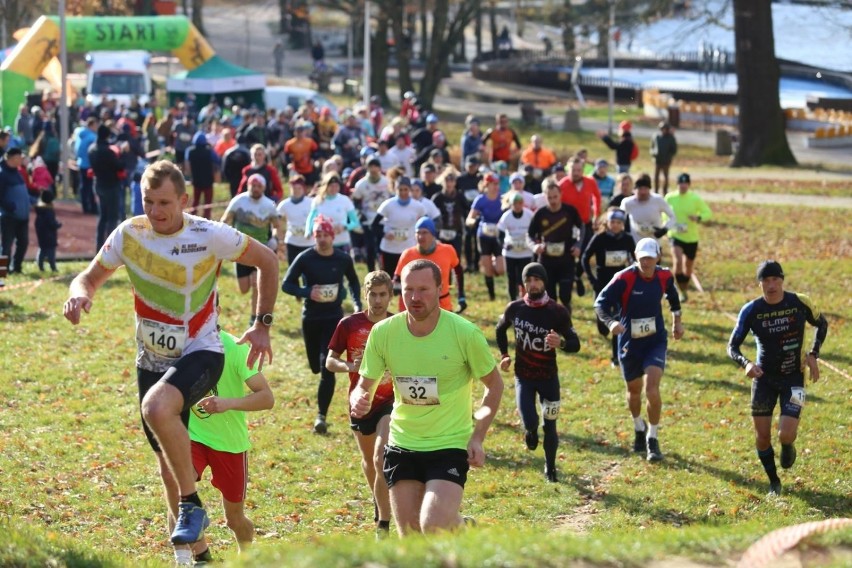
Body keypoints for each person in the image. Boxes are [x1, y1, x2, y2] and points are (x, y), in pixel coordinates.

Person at [63, 160, 279, 549]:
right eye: (149, 201)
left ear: (183, 200)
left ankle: (192, 504)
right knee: (167, 461)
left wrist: (261, 323)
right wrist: (79, 293)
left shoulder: (209, 234)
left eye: (164, 203)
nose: (156, 212)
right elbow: (89, 277)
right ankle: (195, 555)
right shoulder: (130, 234)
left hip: (202, 351)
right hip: (151, 359)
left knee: (157, 408)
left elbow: (267, 260)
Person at [350, 259, 504, 536]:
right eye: (408, 289)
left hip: (449, 444)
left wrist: (478, 436)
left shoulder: (464, 333)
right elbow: (364, 384)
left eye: (423, 289)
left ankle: (463, 529)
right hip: (402, 443)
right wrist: (359, 398)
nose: (414, 297)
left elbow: (494, 385)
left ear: (440, 288)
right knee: (410, 535)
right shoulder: (384, 332)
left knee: (432, 525)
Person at [727, 261, 828, 497]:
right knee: (762, 437)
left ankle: (788, 445)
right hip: (763, 379)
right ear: (760, 283)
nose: (771, 285)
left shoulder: (799, 302)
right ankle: (774, 482)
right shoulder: (751, 310)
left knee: (786, 434)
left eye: (775, 280)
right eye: (766, 281)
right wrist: (747, 363)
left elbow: (821, 324)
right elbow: (732, 347)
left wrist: (813, 354)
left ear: (782, 280)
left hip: (794, 376)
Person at [178, 325, 275, 564]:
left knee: (234, 519)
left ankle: (246, 551)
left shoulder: (234, 348)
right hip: (193, 437)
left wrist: (228, 403)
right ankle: (199, 555)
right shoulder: (181, 345)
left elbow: (267, 397)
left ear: (217, 310)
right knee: (180, 488)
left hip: (229, 444)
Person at [593, 238, 683, 462]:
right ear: (636, 257)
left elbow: (673, 296)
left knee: (651, 388)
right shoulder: (624, 278)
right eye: (642, 258)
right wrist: (611, 323)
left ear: (657, 258)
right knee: (634, 391)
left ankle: (653, 438)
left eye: (650, 258)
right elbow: (600, 303)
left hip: (655, 340)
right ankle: (638, 426)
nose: (646, 262)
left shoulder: (664, 275)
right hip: (629, 342)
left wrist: (677, 321)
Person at [496, 262, 580, 482]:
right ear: (523, 285)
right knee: (531, 421)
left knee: (550, 424)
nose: (532, 285)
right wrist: (504, 354)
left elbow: (575, 343)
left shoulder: (557, 311)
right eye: (528, 281)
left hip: (548, 378)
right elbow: (499, 329)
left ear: (544, 282)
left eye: (537, 280)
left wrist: (560, 343)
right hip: (523, 376)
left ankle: (550, 468)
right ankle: (531, 432)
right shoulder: (515, 308)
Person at [326, 271, 395, 538]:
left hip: (391, 400)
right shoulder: (349, 324)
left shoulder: (398, 324)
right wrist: (349, 365)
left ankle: (384, 522)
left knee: (381, 458)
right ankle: (379, 502)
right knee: (368, 460)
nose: (377, 301)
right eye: (372, 294)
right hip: (361, 401)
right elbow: (329, 361)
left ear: (390, 296)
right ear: (365, 295)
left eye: (382, 295)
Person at [282, 215, 362, 434]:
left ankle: (321, 416)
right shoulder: (305, 258)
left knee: (327, 367)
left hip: (334, 318)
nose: (323, 239)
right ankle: (319, 371)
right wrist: (307, 292)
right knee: (315, 366)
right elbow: (287, 284)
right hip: (311, 318)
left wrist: (356, 303)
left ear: (333, 236)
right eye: (319, 235)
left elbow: (353, 280)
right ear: (314, 236)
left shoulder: (343, 259)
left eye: (326, 235)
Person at [222, 173, 282, 325]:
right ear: (248, 186)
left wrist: (274, 239)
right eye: (252, 186)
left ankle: (254, 317)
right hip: (240, 249)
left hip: (261, 249)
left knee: (256, 283)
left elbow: (277, 226)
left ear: (263, 188)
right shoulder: (238, 201)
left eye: (258, 186)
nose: (255, 189)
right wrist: (227, 236)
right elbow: (225, 220)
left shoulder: (269, 205)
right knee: (243, 289)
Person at [581, 208, 635, 366]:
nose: (616, 225)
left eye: (619, 222)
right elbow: (585, 257)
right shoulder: (600, 238)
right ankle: (604, 328)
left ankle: (616, 357)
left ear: (623, 224)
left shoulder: (628, 239)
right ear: (607, 222)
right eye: (613, 222)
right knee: (603, 324)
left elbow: (635, 258)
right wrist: (592, 280)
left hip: (621, 285)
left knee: (618, 320)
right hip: (602, 285)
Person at [528, 180, 583, 310]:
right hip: (546, 262)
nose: (553, 200)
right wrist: (534, 247)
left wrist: (578, 245)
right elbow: (529, 235)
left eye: (555, 197)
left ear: (561, 195)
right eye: (549, 197)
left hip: (566, 260)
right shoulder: (540, 213)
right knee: (550, 298)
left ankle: (566, 326)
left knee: (565, 295)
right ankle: (553, 327)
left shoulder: (570, 211)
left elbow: (582, 228)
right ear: (545, 197)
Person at [395, 216, 466, 313]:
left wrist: (461, 295)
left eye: (424, 232)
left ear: (433, 234)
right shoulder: (408, 254)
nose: (420, 236)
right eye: (418, 233)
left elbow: (458, 271)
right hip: (415, 305)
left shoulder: (447, 250)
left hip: (442, 305)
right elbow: (397, 279)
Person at [664, 173, 712, 302]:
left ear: (689, 185)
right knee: (678, 261)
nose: (683, 186)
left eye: (685, 183)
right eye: (681, 183)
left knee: (688, 267)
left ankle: (684, 289)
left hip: (691, 238)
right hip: (675, 235)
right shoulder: (670, 198)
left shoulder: (694, 198)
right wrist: (667, 226)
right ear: (677, 184)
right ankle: (680, 290)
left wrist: (698, 218)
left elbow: (708, 213)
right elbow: (664, 214)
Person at [558, 157, 601, 296]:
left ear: (583, 170)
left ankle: (577, 276)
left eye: (579, 170)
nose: (576, 173)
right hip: (569, 226)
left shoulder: (590, 182)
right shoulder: (562, 185)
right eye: (573, 170)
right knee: (570, 254)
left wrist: (596, 215)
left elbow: (597, 197)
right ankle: (569, 280)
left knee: (586, 254)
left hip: (586, 223)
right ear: (568, 170)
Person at [373, 177, 425, 277]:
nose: (403, 192)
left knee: (408, 279)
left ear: (410, 190)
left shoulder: (418, 206)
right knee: (388, 280)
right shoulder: (388, 205)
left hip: (409, 249)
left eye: (405, 189)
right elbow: (374, 225)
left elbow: (425, 224)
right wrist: (384, 234)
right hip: (389, 249)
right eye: (400, 189)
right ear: (395, 190)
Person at [466, 173, 505, 301]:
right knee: (488, 269)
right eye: (493, 184)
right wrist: (474, 222)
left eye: (497, 184)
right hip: (484, 236)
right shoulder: (480, 199)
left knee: (500, 270)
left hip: (498, 236)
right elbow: (469, 219)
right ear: (486, 185)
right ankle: (492, 296)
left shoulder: (502, 198)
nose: (496, 187)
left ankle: (494, 261)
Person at [352, 157, 391, 272]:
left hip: (383, 220)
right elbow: (355, 201)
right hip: (368, 219)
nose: (373, 169)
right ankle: (371, 273)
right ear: (367, 168)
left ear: (380, 168)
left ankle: (384, 271)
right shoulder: (361, 184)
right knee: (370, 248)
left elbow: (392, 197)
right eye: (371, 166)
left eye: (376, 166)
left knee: (383, 247)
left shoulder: (386, 182)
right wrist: (360, 214)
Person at [305, 172, 360, 253]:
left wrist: (344, 227)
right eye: (331, 186)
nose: (334, 188)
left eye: (336, 186)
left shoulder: (345, 200)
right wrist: (308, 231)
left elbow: (355, 222)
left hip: (342, 241)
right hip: (323, 243)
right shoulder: (318, 200)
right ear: (326, 186)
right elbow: (311, 217)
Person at [497, 192, 535, 301]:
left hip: (526, 251)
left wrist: (532, 243)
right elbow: (500, 233)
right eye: (515, 204)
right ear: (511, 204)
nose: (517, 206)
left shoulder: (529, 215)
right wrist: (504, 245)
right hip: (511, 252)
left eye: (519, 203)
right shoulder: (506, 216)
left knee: (525, 277)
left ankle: (526, 299)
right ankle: (512, 300)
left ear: (523, 203)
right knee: (511, 277)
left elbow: (535, 231)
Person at [620, 173, 676, 244]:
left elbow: (673, 217)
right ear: (635, 189)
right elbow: (619, 219)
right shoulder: (627, 202)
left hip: (654, 244)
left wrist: (664, 229)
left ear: (649, 189)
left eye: (645, 189)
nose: (643, 192)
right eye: (640, 189)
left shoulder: (658, 200)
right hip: (635, 244)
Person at [0, 147, 30, 274]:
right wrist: (9, 206)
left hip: (23, 215)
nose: (22, 159)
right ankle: (2, 271)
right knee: (6, 245)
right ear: (12, 158)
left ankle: (16, 267)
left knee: (23, 242)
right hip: (9, 216)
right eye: (19, 157)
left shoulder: (18, 172)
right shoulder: (2, 174)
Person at [276, 174, 315, 265]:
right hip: (292, 242)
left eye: (299, 188)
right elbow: (277, 222)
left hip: (309, 242)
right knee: (293, 270)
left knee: (309, 272)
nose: (296, 191)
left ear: (303, 189)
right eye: (294, 188)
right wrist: (280, 239)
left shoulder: (311, 203)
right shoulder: (284, 204)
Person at [185, 132, 220, 220]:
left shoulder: (191, 151)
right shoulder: (209, 151)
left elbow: (187, 164)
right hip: (208, 180)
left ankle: (192, 217)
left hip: (196, 180)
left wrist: (190, 176)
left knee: (196, 200)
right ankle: (207, 218)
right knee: (208, 202)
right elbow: (217, 160)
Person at [35, 189, 62, 272]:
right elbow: (51, 223)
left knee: (42, 249)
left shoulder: (39, 211)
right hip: (50, 235)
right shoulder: (49, 211)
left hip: (41, 234)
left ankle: (40, 265)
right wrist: (58, 225)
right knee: (51, 252)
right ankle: (53, 266)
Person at [650, 122, 677, 195]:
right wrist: (654, 153)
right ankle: (656, 190)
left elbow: (674, 150)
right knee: (656, 177)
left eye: (665, 129)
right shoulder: (656, 136)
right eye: (662, 129)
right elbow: (652, 147)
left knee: (666, 177)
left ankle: (665, 191)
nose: (664, 130)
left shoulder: (671, 138)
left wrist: (668, 156)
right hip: (657, 160)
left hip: (666, 161)